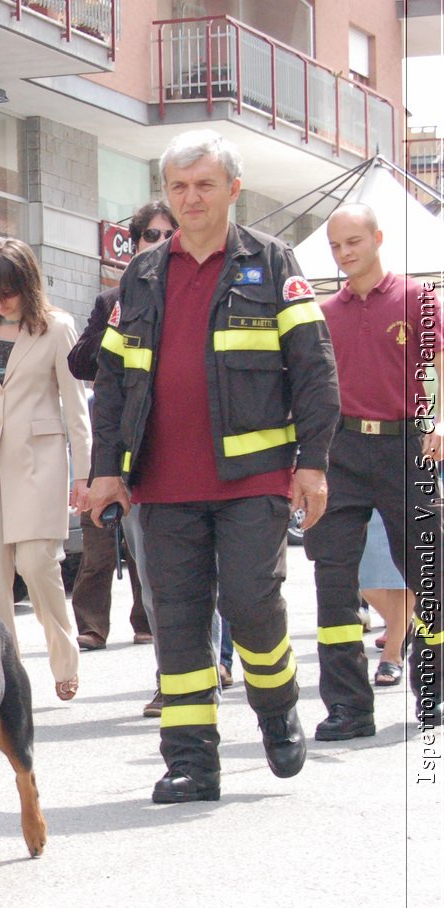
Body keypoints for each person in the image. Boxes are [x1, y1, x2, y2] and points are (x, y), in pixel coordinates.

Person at [85, 129, 340, 804]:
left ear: (233, 189)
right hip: (162, 482)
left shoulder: (272, 259)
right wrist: (106, 469)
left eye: (204, 185)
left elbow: (315, 369)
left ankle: (276, 698)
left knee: (253, 602)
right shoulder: (141, 275)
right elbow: (110, 382)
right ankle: (192, 760)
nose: (191, 198)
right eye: (178, 187)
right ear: (165, 193)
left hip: (253, 474)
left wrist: (311, 463)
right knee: (177, 619)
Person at [305, 203, 443, 739]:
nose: (344, 254)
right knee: (334, 582)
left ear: (378, 238)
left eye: (354, 242)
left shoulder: (417, 299)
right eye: (337, 246)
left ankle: (433, 694)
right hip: (340, 451)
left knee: (427, 572)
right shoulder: (323, 312)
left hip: (405, 445)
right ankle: (348, 708)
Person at [0, 238, 91, 703]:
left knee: (36, 564)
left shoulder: (58, 328)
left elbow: (75, 406)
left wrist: (83, 474)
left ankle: (64, 659)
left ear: (28, 285)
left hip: (39, 463)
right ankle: (7, 680)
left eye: (8, 291)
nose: (1, 301)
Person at [67, 203, 172, 657]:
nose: (161, 242)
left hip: (174, 444)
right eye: (151, 235)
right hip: (119, 442)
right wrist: (121, 313)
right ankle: (93, 626)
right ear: (134, 244)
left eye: (169, 234)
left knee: (166, 563)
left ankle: (155, 629)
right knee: (101, 545)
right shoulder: (115, 299)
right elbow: (81, 362)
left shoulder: (197, 295)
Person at [359, 512, 412, 688]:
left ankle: (392, 655)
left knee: (400, 573)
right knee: (365, 581)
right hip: (352, 488)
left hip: (401, 488)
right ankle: (402, 624)